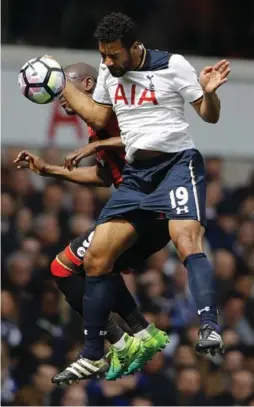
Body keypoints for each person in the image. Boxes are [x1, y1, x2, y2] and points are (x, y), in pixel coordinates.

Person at [55, 11, 231, 383]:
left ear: (134, 48)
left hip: (176, 166)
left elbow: (209, 116)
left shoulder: (173, 65)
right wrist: (57, 81)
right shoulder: (107, 74)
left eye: (113, 55)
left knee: (186, 241)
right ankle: (91, 354)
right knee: (97, 257)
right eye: (102, 54)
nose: (107, 62)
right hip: (136, 178)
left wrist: (210, 95)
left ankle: (210, 325)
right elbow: (100, 117)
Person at [14, 62, 170, 383]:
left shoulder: (112, 105)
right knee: (93, 267)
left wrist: (98, 144)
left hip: (146, 203)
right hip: (148, 211)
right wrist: (50, 170)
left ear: (87, 84)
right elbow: (103, 175)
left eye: (64, 89)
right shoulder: (94, 126)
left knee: (66, 267)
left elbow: (144, 136)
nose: (62, 100)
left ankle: (109, 346)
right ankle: (139, 335)